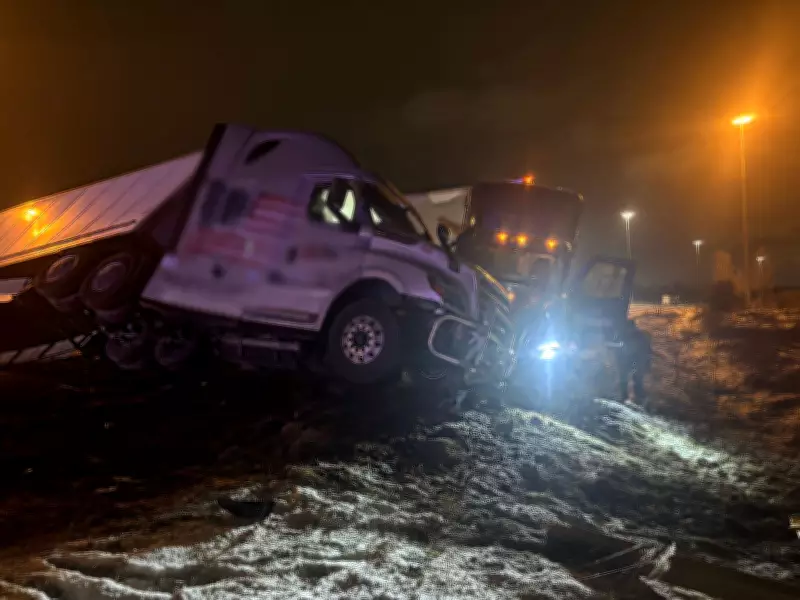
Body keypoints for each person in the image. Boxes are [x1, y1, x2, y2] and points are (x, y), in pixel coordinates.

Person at [612, 319, 652, 403]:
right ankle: (630, 397)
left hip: (634, 360)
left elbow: (646, 351)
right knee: (628, 379)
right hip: (630, 361)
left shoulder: (639, 336)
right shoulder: (640, 335)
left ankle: (635, 397)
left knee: (635, 379)